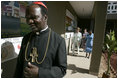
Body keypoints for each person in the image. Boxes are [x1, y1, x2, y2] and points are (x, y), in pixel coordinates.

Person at [14, 1, 67, 78]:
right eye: (27, 18)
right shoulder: (26, 38)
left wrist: (40, 72)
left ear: (45, 18)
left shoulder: (58, 41)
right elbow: (19, 66)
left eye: (34, 17)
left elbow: (62, 70)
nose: (29, 22)